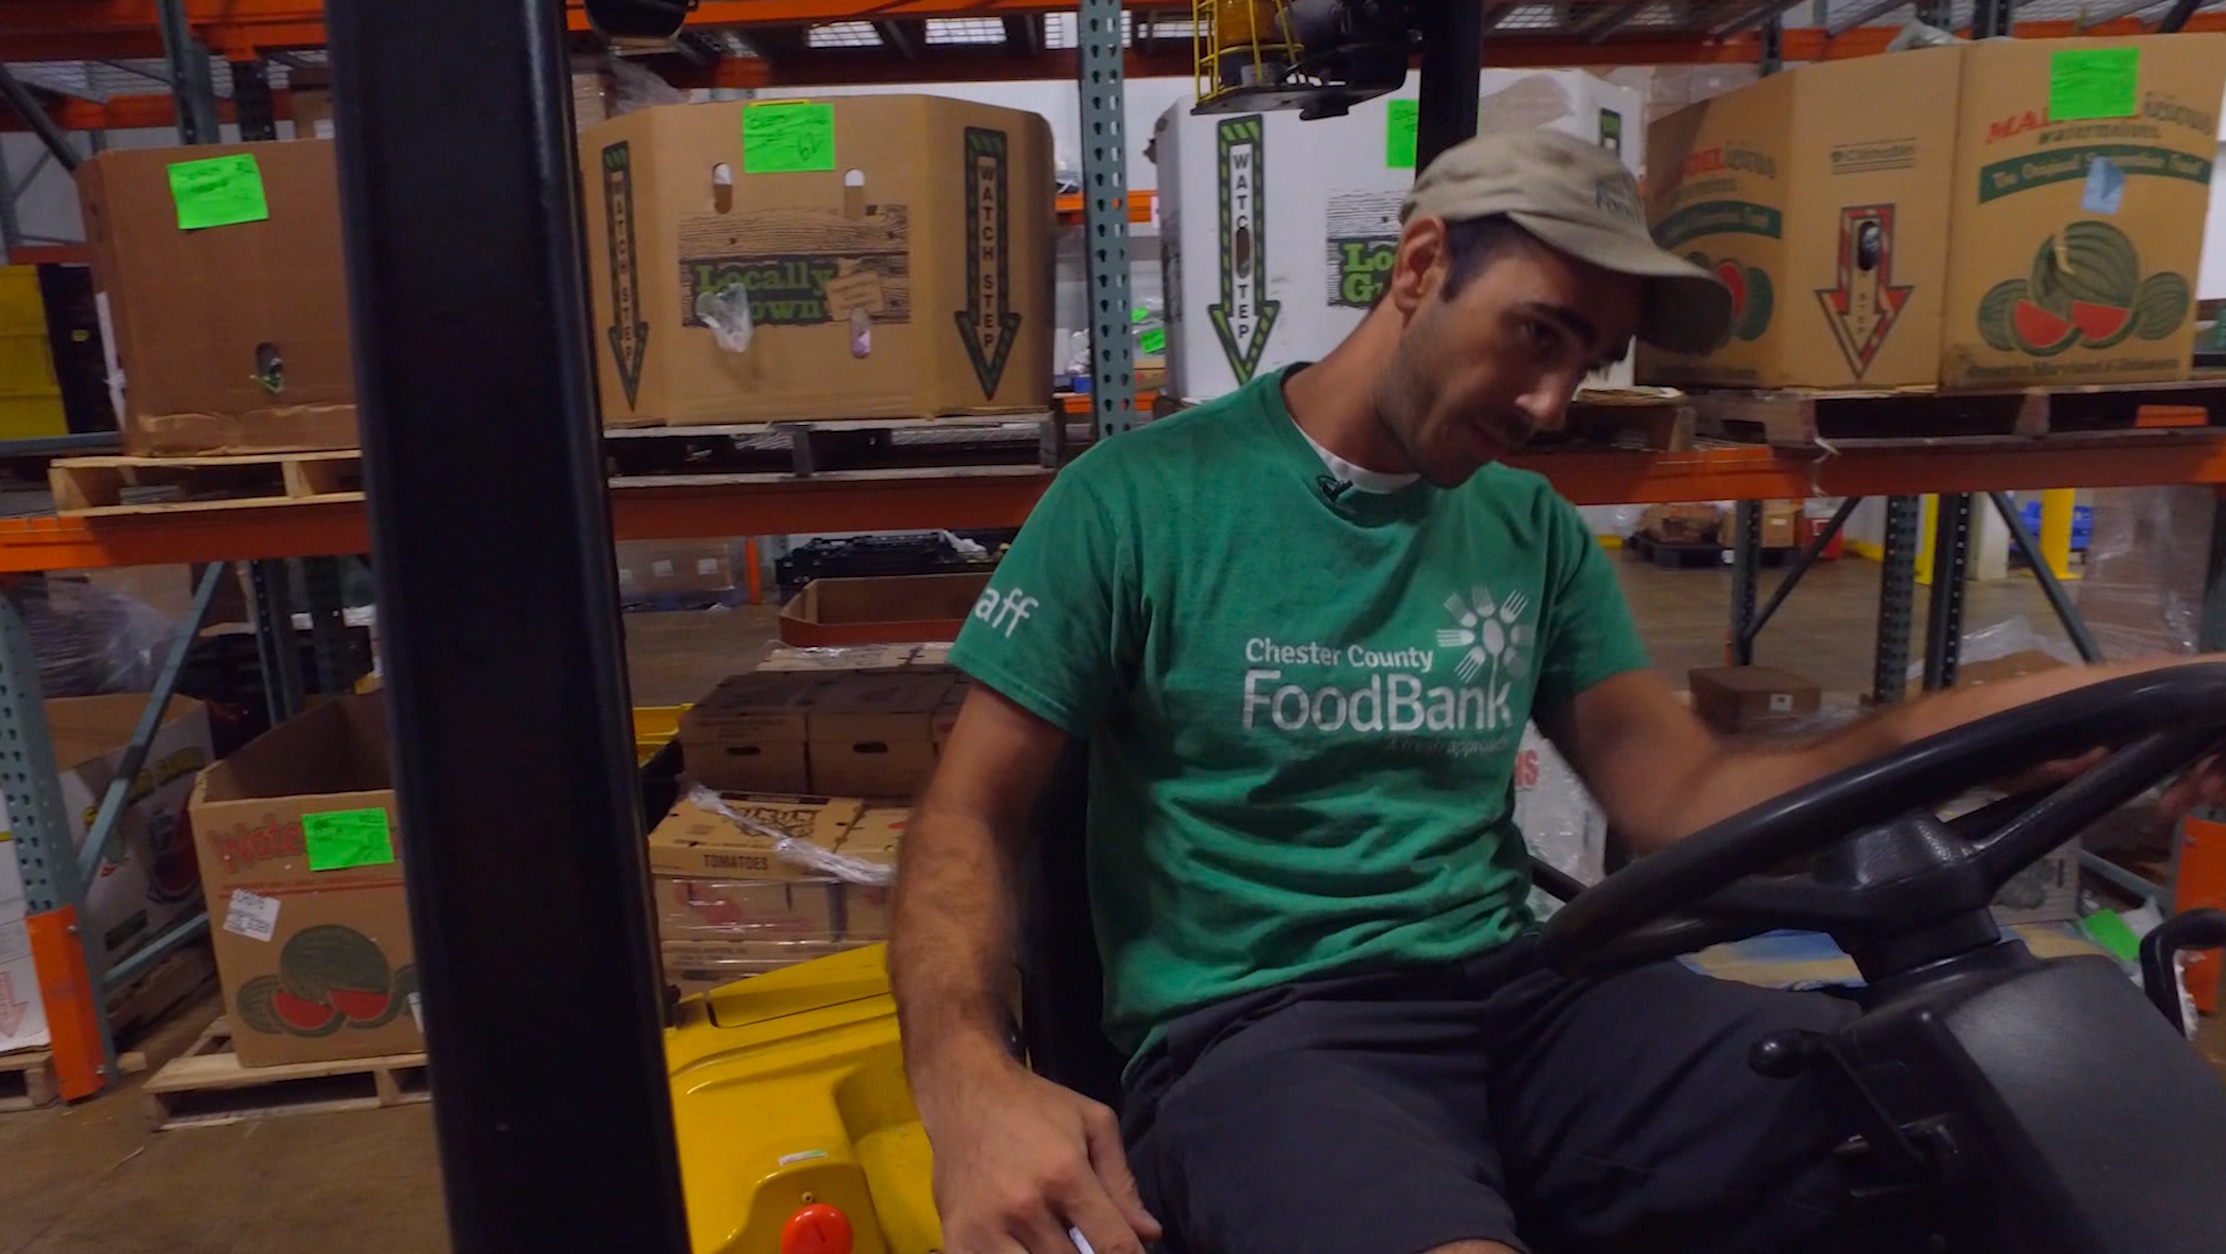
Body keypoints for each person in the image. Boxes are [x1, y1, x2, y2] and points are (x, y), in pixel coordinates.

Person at [886, 129, 2226, 1254]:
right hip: (1267, 1034)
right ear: (1420, 266)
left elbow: (1686, 798)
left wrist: (1975, 718)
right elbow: (968, 814)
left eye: (1586, 361)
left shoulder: (1526, 532)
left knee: (1951, 1111)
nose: (1547, 401)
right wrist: (963, 1076)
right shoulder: (1138, 501)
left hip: (1532, 998)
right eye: (1536, 332)